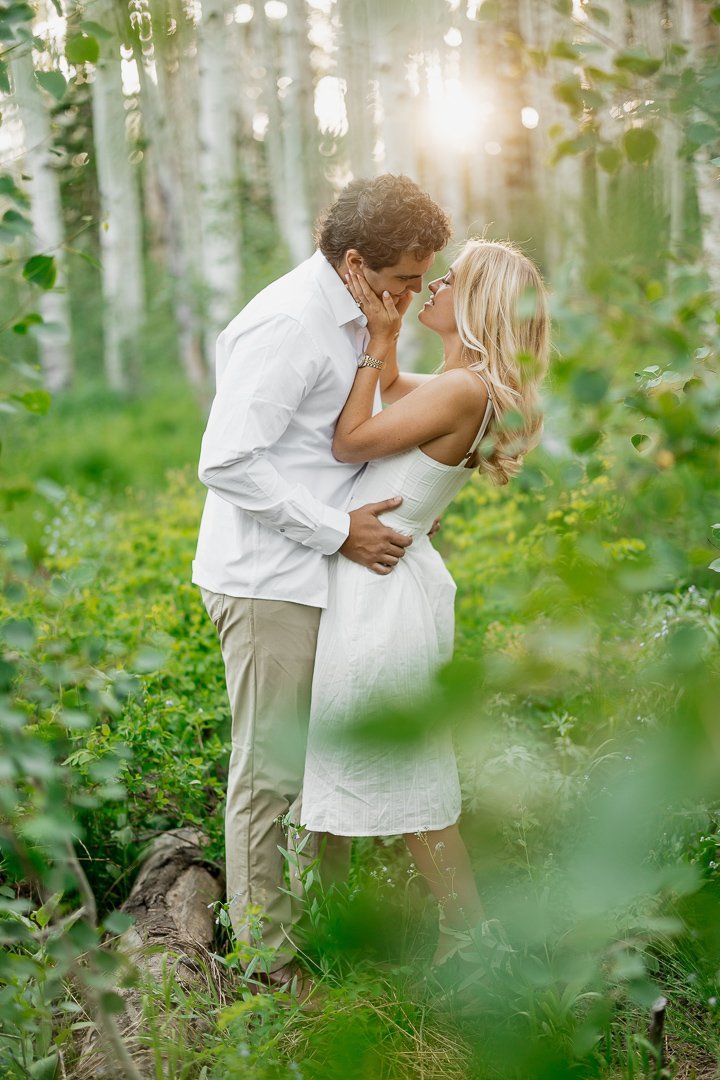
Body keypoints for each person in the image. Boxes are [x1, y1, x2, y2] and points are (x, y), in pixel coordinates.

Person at [193, 174, 452, 990]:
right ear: (354, 260)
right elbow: (226, 460)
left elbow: (351, 432)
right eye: (406, 276)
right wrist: (340, 530)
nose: (415, 291)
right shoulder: (289, 324)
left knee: (324, 766)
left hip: (327, 575)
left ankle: (323, 941)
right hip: (270, 577)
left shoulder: (362, 316)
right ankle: (269, 968)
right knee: (270, 773)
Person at [301, 239, 550, 968]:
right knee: (376, 759)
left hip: (383, 591)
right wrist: (385, 351)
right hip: (387, 579)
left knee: (410, 771)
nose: (432, 284)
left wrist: (380, 337)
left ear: (477, 304)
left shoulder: (464, 388)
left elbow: (350, 439)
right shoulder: (457, 383)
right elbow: (384, 403)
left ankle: (466, 936)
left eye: (450, 278)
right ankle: (375, 930)